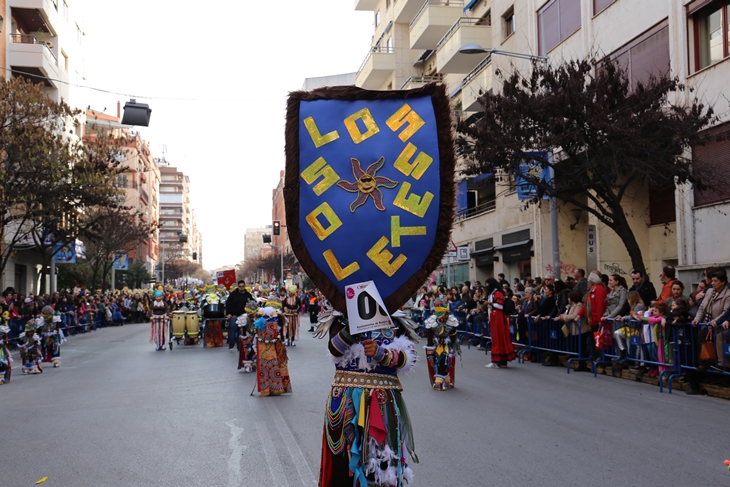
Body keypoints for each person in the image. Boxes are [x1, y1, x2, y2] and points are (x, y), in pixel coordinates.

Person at [315, 308, 418, 487]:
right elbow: (334, 350)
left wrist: (382, 354)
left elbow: (409, 358)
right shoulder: (340, 317)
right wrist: (351, 328)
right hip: (345, 400)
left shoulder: (395, 318)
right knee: (342, 461)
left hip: (381, 401)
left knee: (380, 463)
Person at [253, 301, 292, 396]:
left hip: (264, 346)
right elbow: (283, 333)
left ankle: (267, 389)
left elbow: (256, 336)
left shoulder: (260, 320)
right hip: (274, 344)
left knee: (266, 366)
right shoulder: (278, 318)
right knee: (276, 365)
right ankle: (277, 388)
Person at [424, 298, 460, 390]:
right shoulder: (431, 322)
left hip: (448, 344)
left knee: (446, 360)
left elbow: (453, 336)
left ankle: (446, 379)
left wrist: (452, 348)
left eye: (447, 314)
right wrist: (430, 354)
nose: (446, 317)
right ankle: (439, 379)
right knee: (437, 361)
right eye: (444, 315)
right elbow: (429, 340)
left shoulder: (452, 321)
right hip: (436, 344)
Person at [484, 278, 517, 368]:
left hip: (497, 317)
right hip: (494, 316)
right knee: (498, 338)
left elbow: (500, 306)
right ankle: (502, 361)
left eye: (487, 284)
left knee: (497, 338)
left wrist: (490, 303)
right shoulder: (493, 293)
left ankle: (497, 360)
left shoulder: (497, 293)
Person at [553, 291, 587, 369]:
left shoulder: (578, 305)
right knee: (576, 345)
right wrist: (560, 317)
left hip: (580, 329)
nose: (568, 299)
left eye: (569, 298)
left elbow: (574, 315)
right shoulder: (569, 306)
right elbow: (566, 314)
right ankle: (577, 361)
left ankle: (582, 364)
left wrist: (564, 317)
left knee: (581, 347)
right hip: (573, 329)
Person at [225, 280, 254, 350]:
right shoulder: (233, 294)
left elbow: (252, 303)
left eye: (242, 286)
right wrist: (228, 313)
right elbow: (228, 304)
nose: (241, 288)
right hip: (234, 315)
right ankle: (231, 343)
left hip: (244, 316)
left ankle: (240, 346)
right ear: (238, 287)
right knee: (233, 327)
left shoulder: (248, 295)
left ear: (244, 287)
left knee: (242, 332)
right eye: (240, 286)